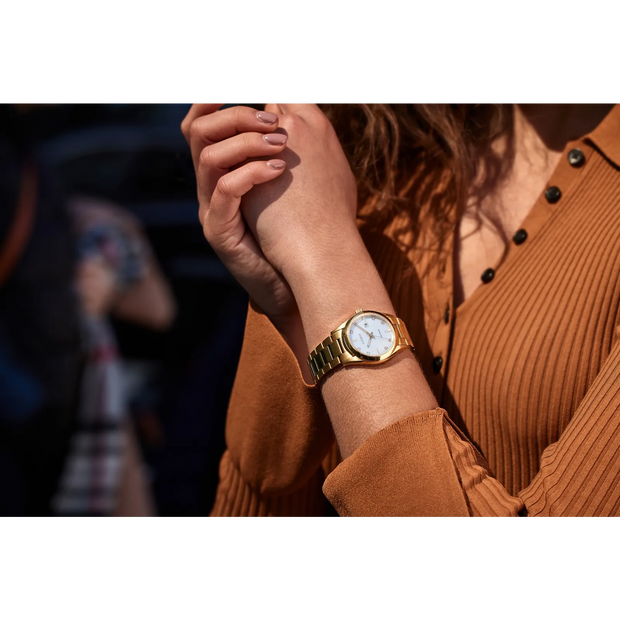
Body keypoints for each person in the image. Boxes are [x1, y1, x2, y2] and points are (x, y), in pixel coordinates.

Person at [181, 100, 620, 519]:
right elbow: (260, 495)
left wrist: (327, 257)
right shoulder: (366, 153)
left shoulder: (331, 201)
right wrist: (291, 308)